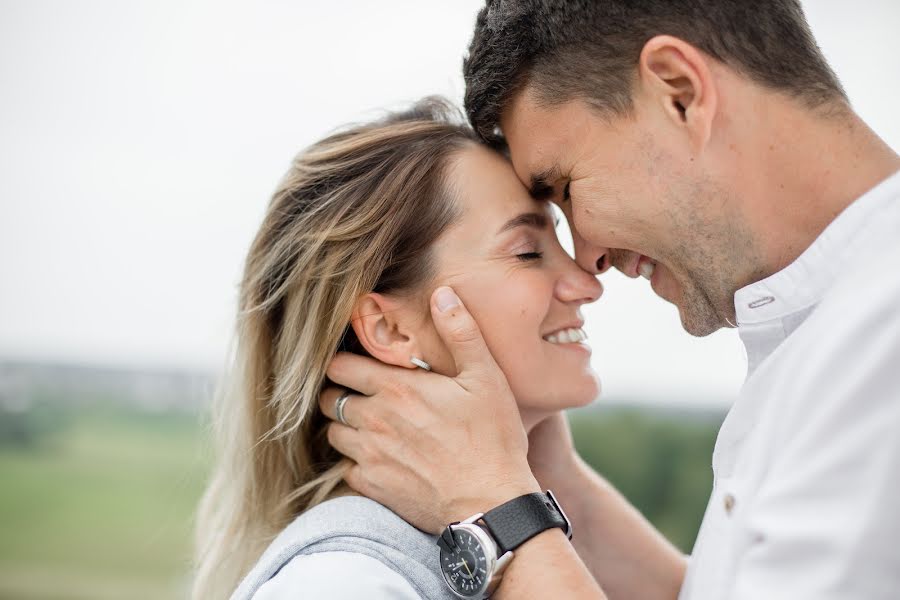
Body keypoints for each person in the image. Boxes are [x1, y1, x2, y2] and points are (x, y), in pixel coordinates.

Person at [318, 1, 900, 599]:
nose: (589, 260)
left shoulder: (879, 348)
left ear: (679, 92)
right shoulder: (838, 326)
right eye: (528, 246)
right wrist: (554, 485)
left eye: (566, 187)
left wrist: (496, 507)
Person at [191, 98, 615, 599]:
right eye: (527, 251)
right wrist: (508, 510)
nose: (586, 282)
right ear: (389, 329)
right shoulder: (342, 585)